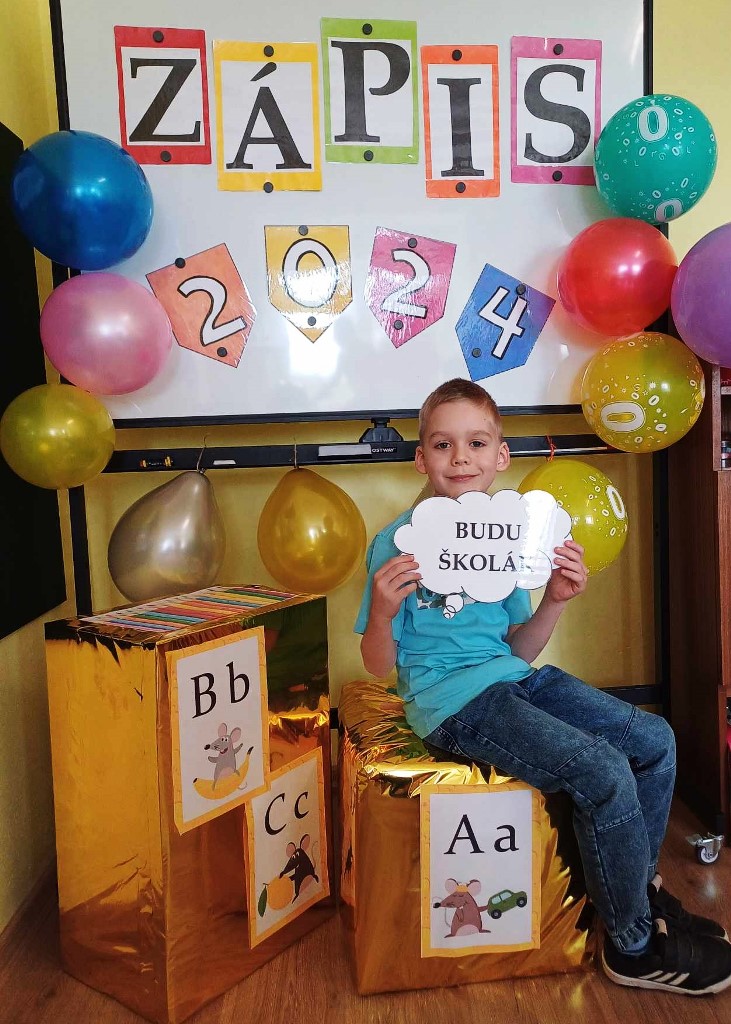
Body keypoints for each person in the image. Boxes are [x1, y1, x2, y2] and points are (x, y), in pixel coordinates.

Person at [355, 377, 731, 996]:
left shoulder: (507, 543)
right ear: (421, 459)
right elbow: (376, 665)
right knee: (603, 771)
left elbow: (518, 650)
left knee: (655, 741)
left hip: (514, 679)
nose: (461, 458)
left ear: (501, 456)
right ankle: (634, 947)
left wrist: (554, 600)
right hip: (451, 704)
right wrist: (381, 611)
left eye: (477, 443)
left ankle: (637, 897)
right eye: (443, 445)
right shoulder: (397, 544)